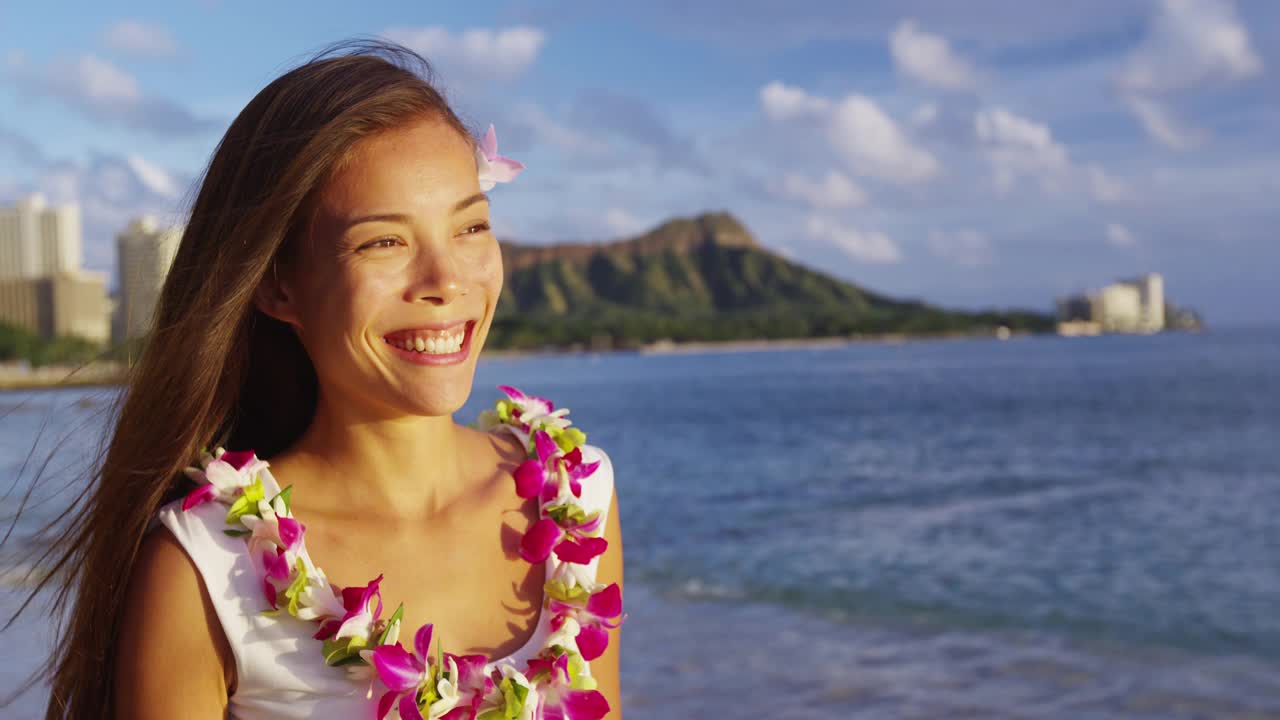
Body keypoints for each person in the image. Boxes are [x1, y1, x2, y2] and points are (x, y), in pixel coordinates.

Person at [37, 40, 623, 719]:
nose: (447, 280)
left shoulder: (576, 497)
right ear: (279, 285)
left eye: (470, 227)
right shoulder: (205, 571)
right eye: (384, 242)